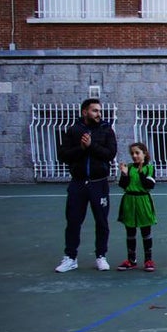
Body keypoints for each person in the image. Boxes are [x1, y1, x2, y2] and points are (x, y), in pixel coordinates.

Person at [56, 97, 118, 273]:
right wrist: (81, 149)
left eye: (99, 110)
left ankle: (101, 256)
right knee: (73, 221)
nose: (99, 114)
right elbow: (63, 155)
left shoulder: (107, 130)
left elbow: (110, 154)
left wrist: (91, 146)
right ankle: (70, 257)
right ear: (85, 112)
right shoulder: (74, 131)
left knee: (101, 221)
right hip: (78, 183)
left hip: (99, 184)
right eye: (95, 110)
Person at [115, 141, 157, 272]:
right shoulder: (129, 167)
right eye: (132, 153)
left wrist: (141, 173)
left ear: (144, 154)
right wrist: (124, 174)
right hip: (129, 200)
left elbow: (149, 185)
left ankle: (148, 260)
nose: (134, 156)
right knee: (130, 232)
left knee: (146, 231)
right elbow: (123, 185)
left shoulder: (149, 168)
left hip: (143, 200)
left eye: (137, 153)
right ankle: (131, 259)